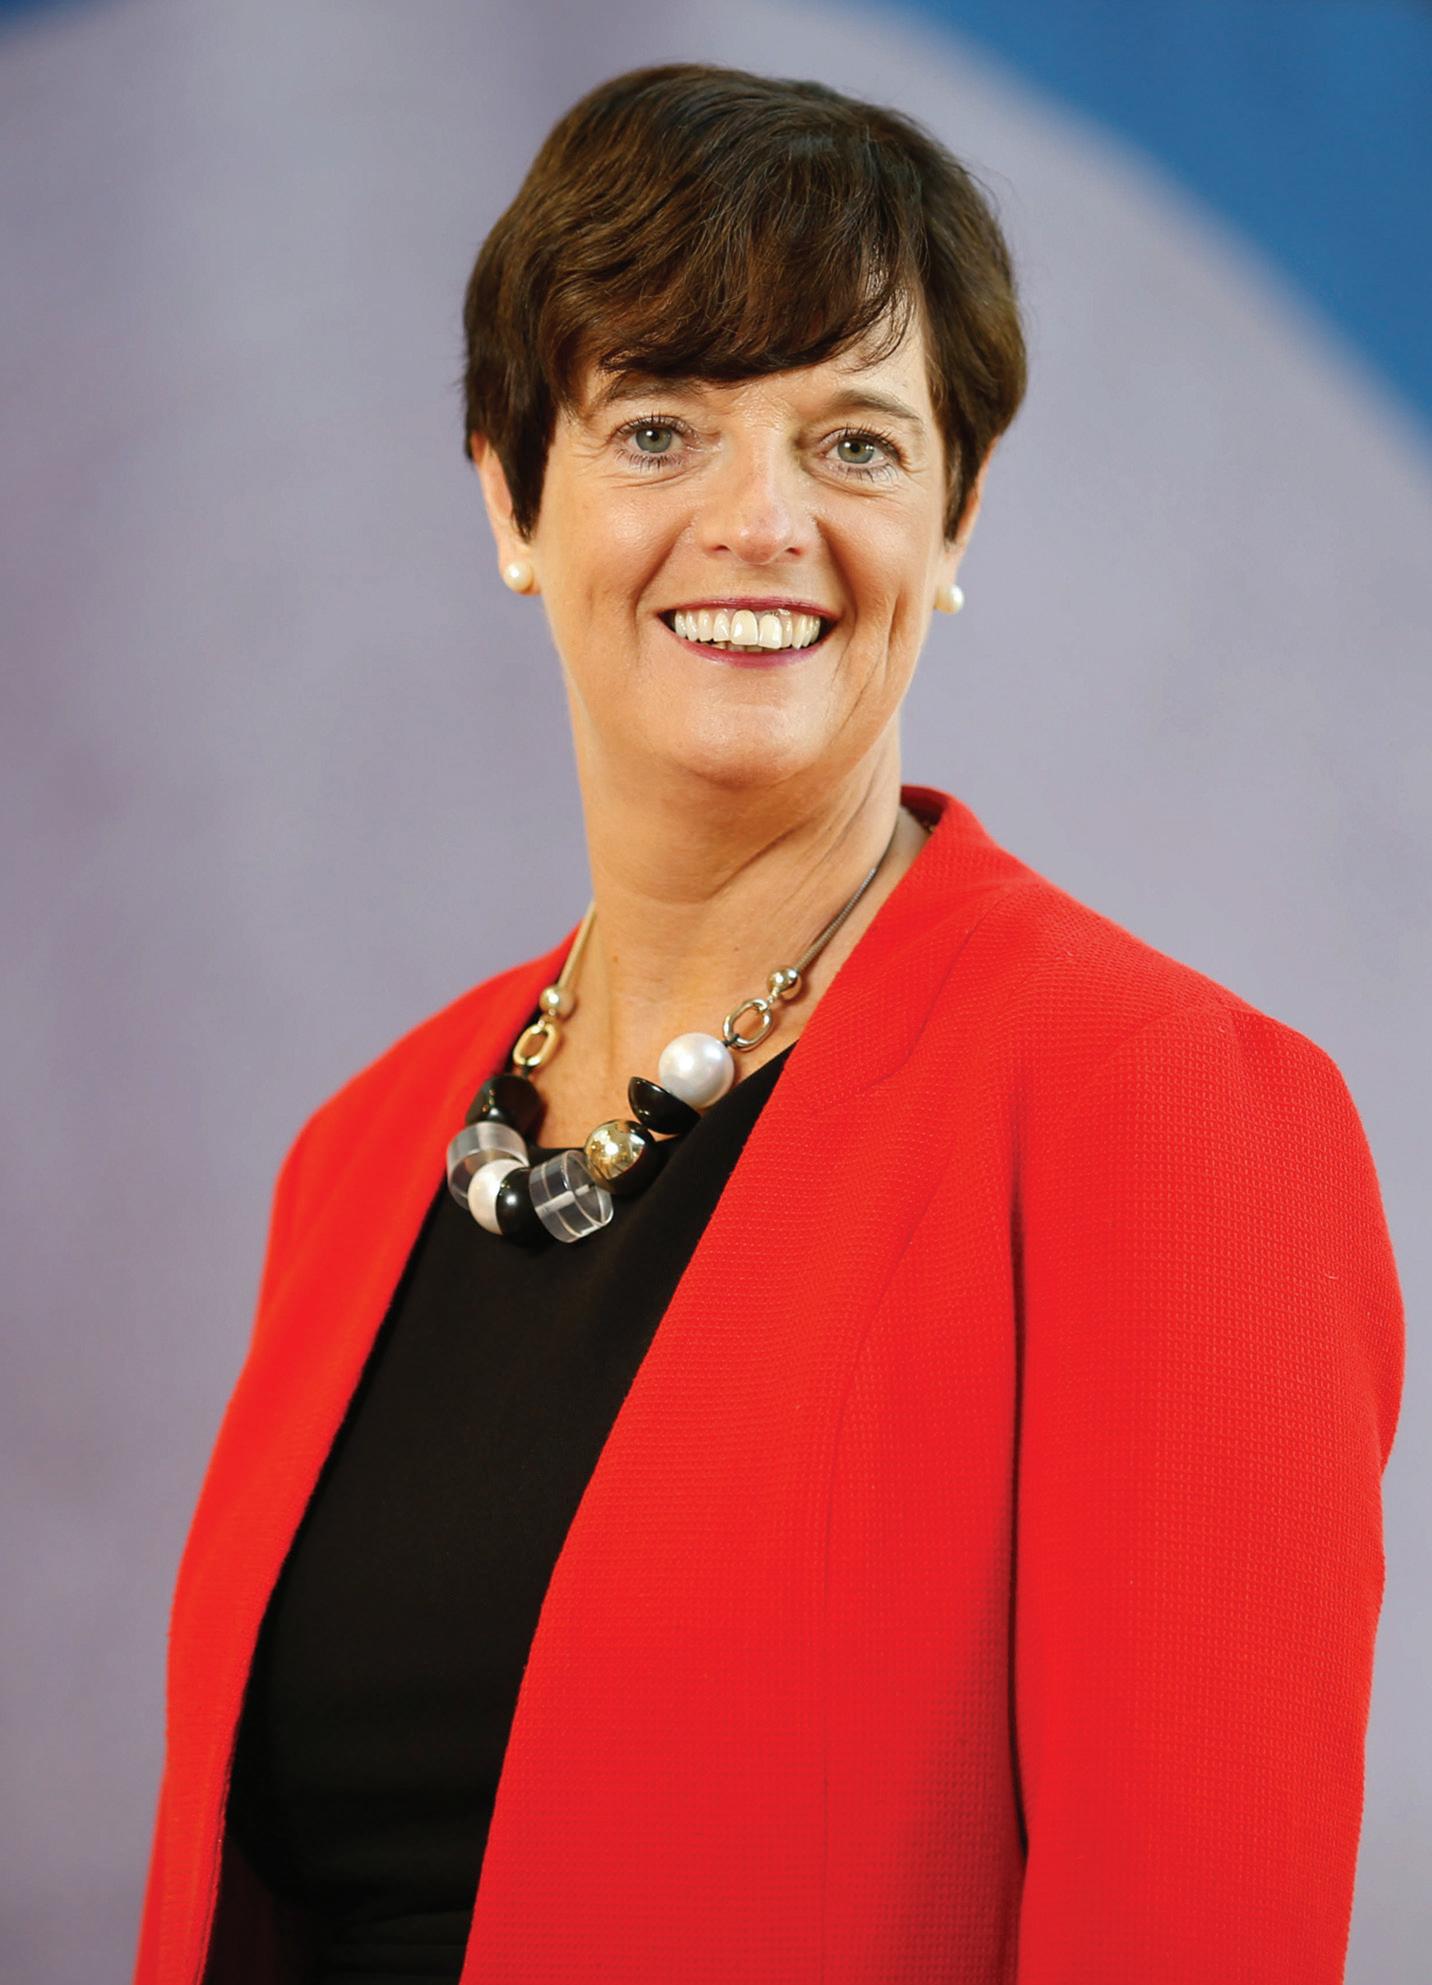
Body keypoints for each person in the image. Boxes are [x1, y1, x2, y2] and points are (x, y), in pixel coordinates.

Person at [132, 60, 1405, 1985]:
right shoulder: (362, 1154)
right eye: (659, 427)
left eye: (855, 444)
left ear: (956, 516)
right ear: (510, 495)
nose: (761, 520)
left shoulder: (1168, 1111)